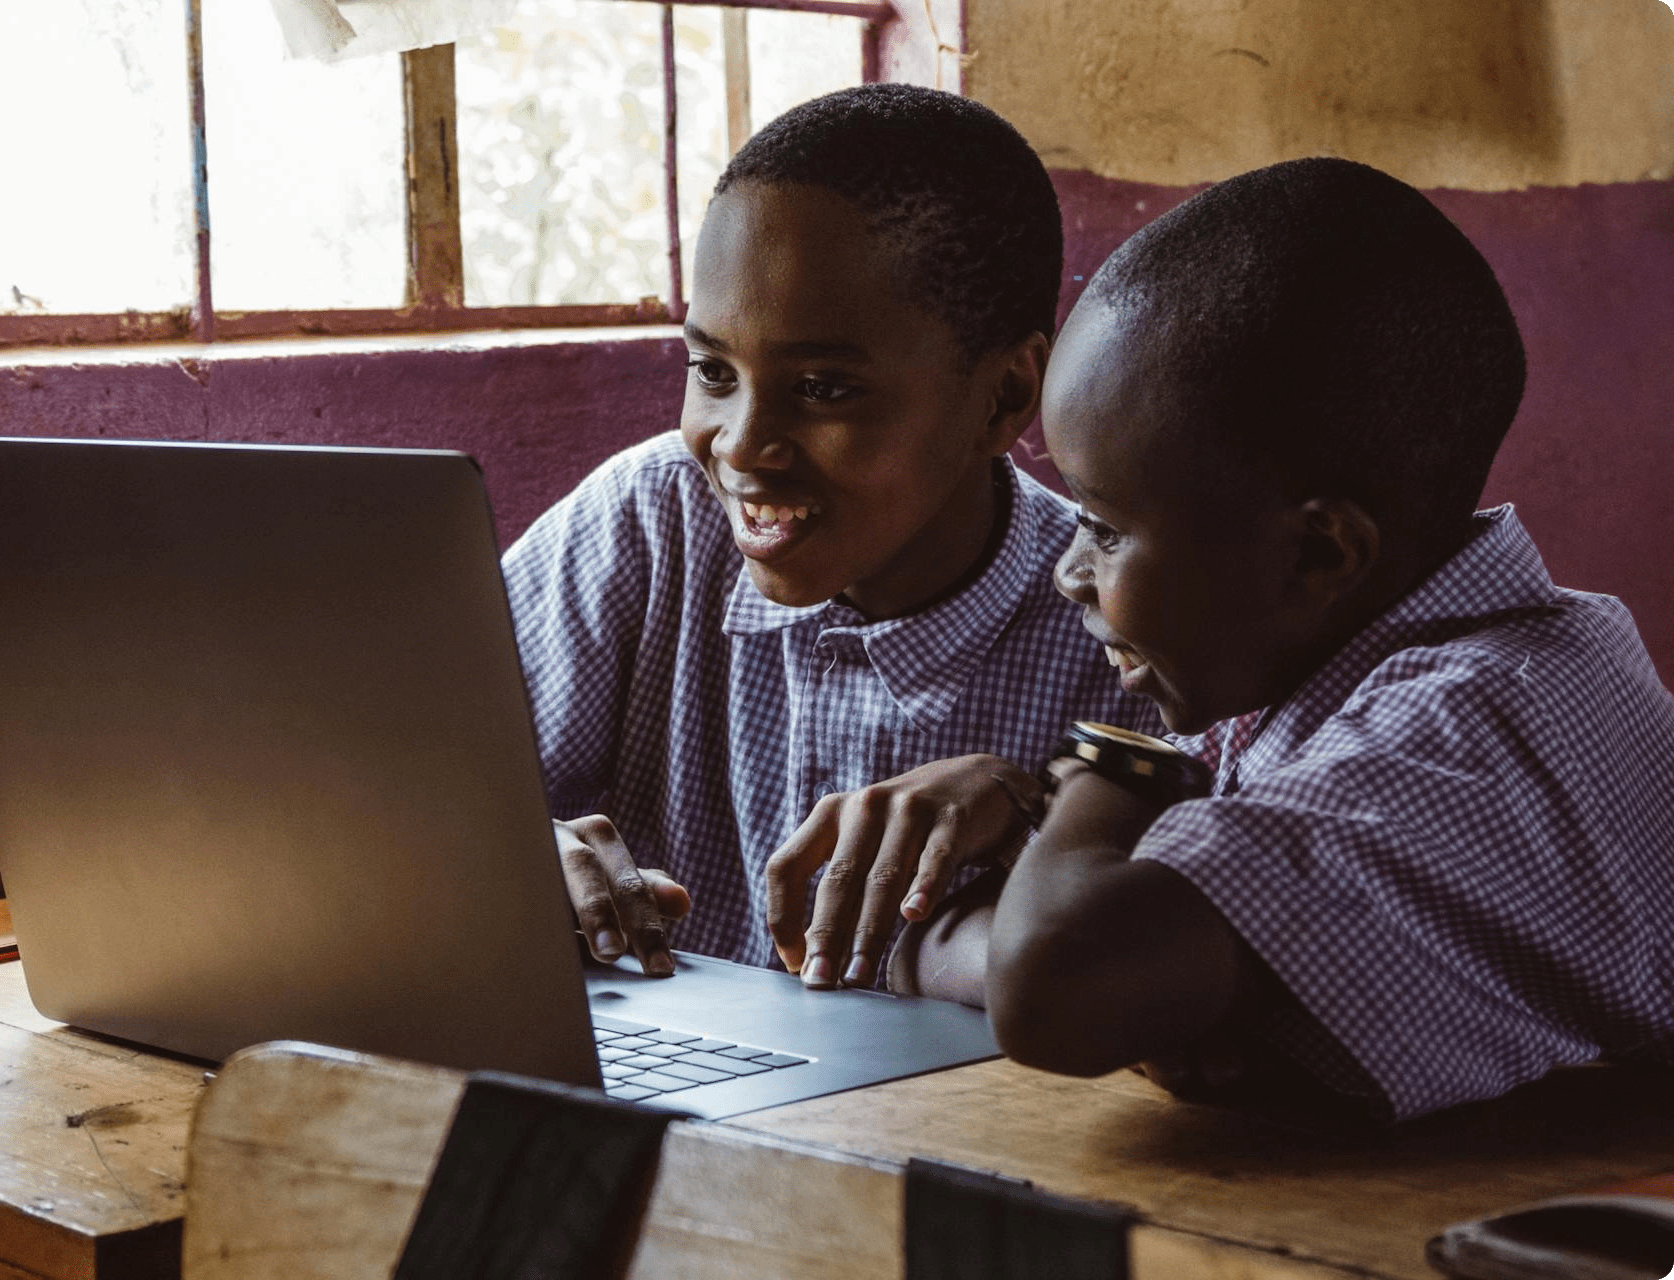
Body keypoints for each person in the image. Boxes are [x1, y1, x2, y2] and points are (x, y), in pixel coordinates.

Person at [862, 155, 1674, 1121]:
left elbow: (1052, 983)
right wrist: (951, 935)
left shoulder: (1463, 727)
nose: (1068, 571)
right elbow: (1077, 962)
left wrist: (1106, 772)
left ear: (1321, 552)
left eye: (1107, 526)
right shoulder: (1363, 664)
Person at [502, 84, 1153, 987]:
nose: (740, 446)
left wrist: (1042, 810)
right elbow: (398, 791)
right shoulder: (652, 522)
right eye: (711, 369)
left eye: (824, 390)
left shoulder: (1126, 626)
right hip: (663, 1096)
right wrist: (519, 857)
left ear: (1003, 395)